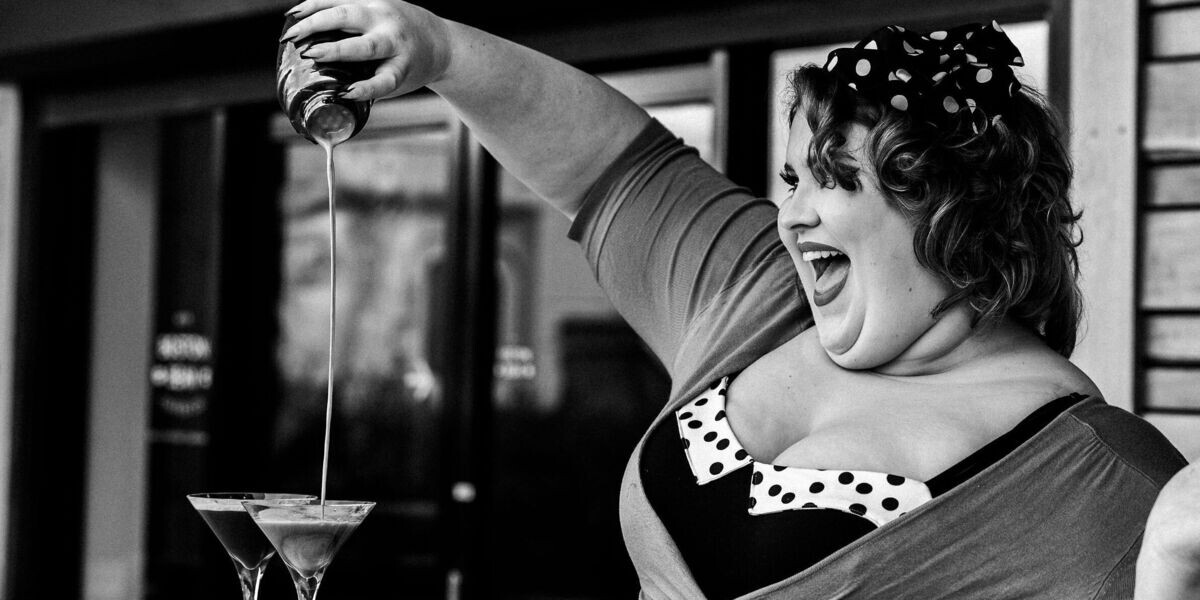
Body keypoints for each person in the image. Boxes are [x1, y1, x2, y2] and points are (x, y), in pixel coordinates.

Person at [281, 2, 1200, 597]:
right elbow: (614, 164)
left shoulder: (1098, 478)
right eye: (790, 176)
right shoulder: (761, 293)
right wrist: (437, 48)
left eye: (835, 181)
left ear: (953, 217)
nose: (792, 216)